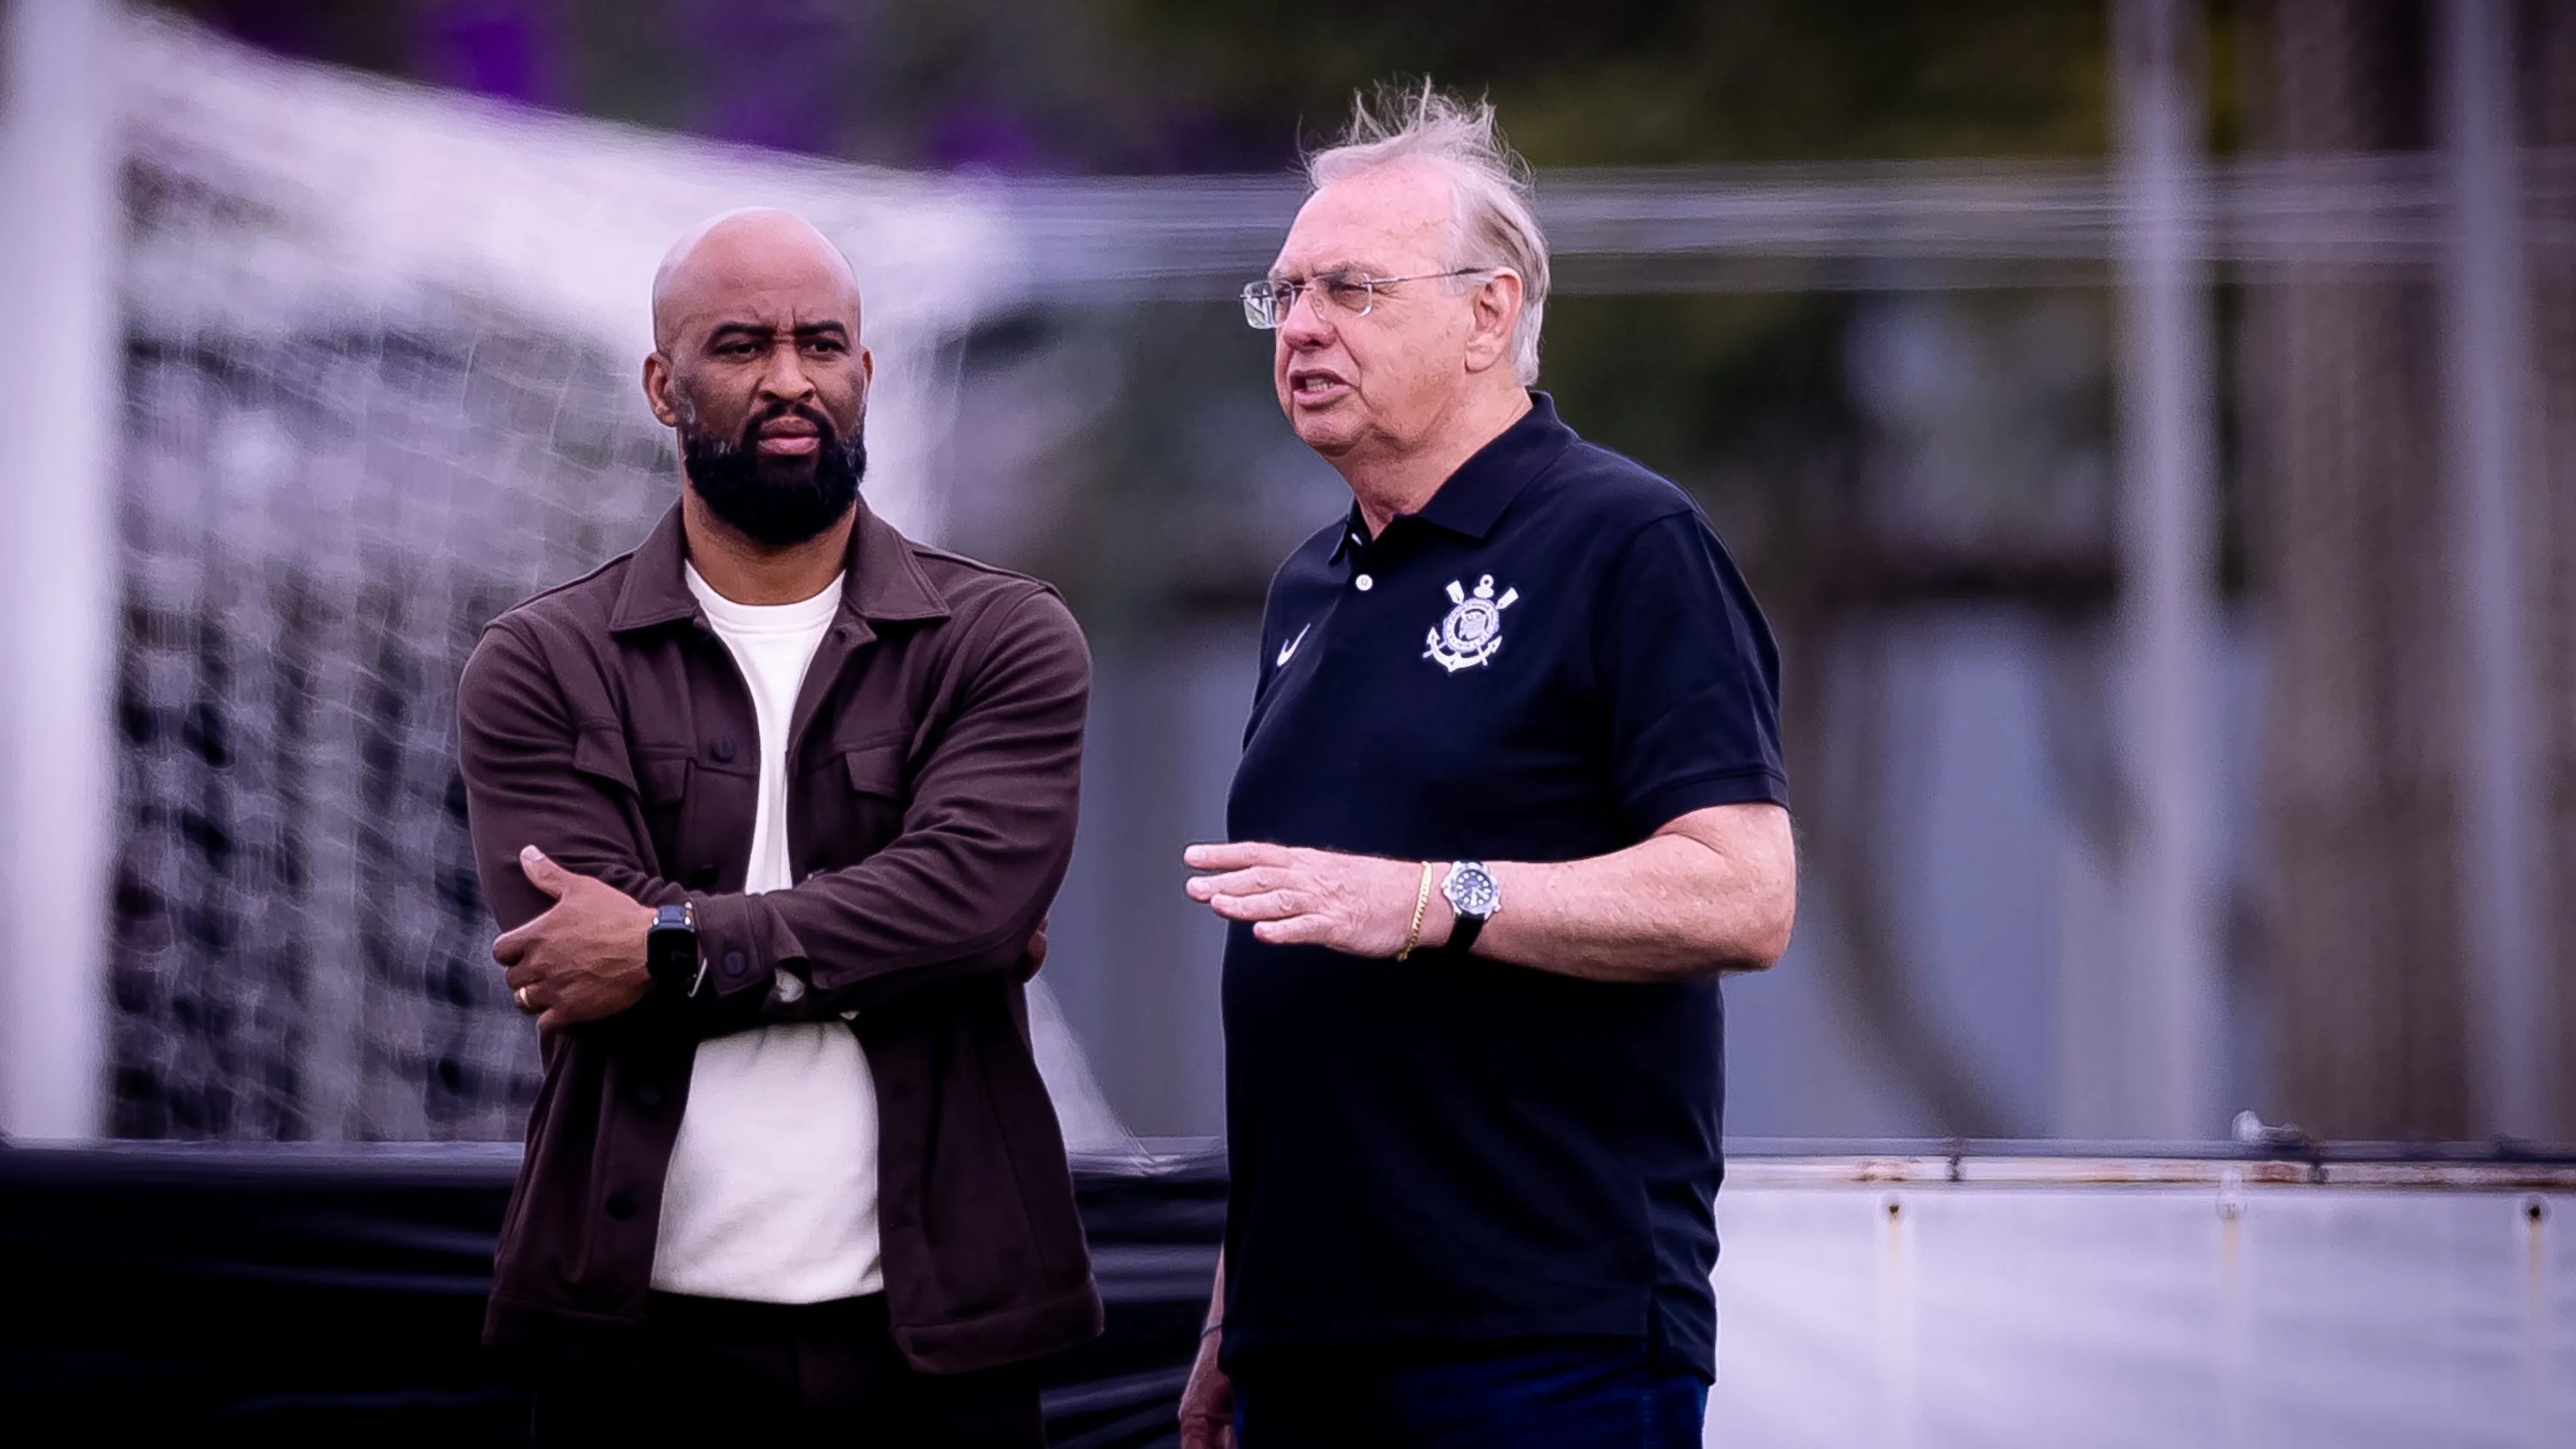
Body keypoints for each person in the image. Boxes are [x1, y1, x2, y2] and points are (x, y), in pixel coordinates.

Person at [1177, 87, 1797, 1449]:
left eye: (1348, 288)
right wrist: (1236, 1312)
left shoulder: (1628, 542)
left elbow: (1742, 894)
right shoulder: (1307, 585)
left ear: (1487, 312)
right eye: (1281, 294)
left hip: (1537, 1335)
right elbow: (1297, 994)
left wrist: (1432, 898)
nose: (1299, 328)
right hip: (1307, 1344)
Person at [455, 209, 1098, 1447]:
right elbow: (569, 940)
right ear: (662, 384)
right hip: (635, 1341)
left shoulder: (1004, 638)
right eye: (742, 345)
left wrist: (666, 946)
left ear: (869, 370)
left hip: (937, 1340)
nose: (791, 379)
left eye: (824, 344)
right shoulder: (541, 662)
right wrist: (891, 933)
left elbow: (967, 905)